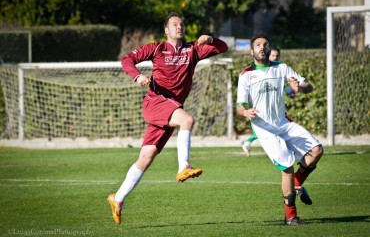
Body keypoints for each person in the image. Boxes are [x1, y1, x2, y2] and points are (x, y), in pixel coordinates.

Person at [107, 12, 228, 225]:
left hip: (171, 109)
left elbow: (222, 48)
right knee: (187, 121)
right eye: (174, 24)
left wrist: (210, 39)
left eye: (181, 24)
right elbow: (127, 59)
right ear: (166, 30)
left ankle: (117, 199)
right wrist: (137, 75)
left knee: (146, 157)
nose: (179, 27)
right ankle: (183, 167)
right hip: (156, 103)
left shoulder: (193, 49)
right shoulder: (157, 48)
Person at [236, 32, 323, 225]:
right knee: (287, 167)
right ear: (252, 51)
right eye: (258, 44)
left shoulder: (281, 68)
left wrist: (300, 87)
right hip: (264, 128)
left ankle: (298, 183)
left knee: (317, 150)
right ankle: (291, 216)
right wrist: (245, 112)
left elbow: (308, 87)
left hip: (283, 123)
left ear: (269, 49)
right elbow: (239, 105)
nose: (262, 47)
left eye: (265, 44)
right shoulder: (245, 75)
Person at [240, 47, 295, 157]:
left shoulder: (279, 69)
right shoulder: (250, 73)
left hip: (276, 110)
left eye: (277, 56)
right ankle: (248, 143)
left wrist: (292, 91)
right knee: (266, 129)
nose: (275, 57)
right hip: (261, 111)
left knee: (275, 128)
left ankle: (247, 143)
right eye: (273, 55)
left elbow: (283, 88)